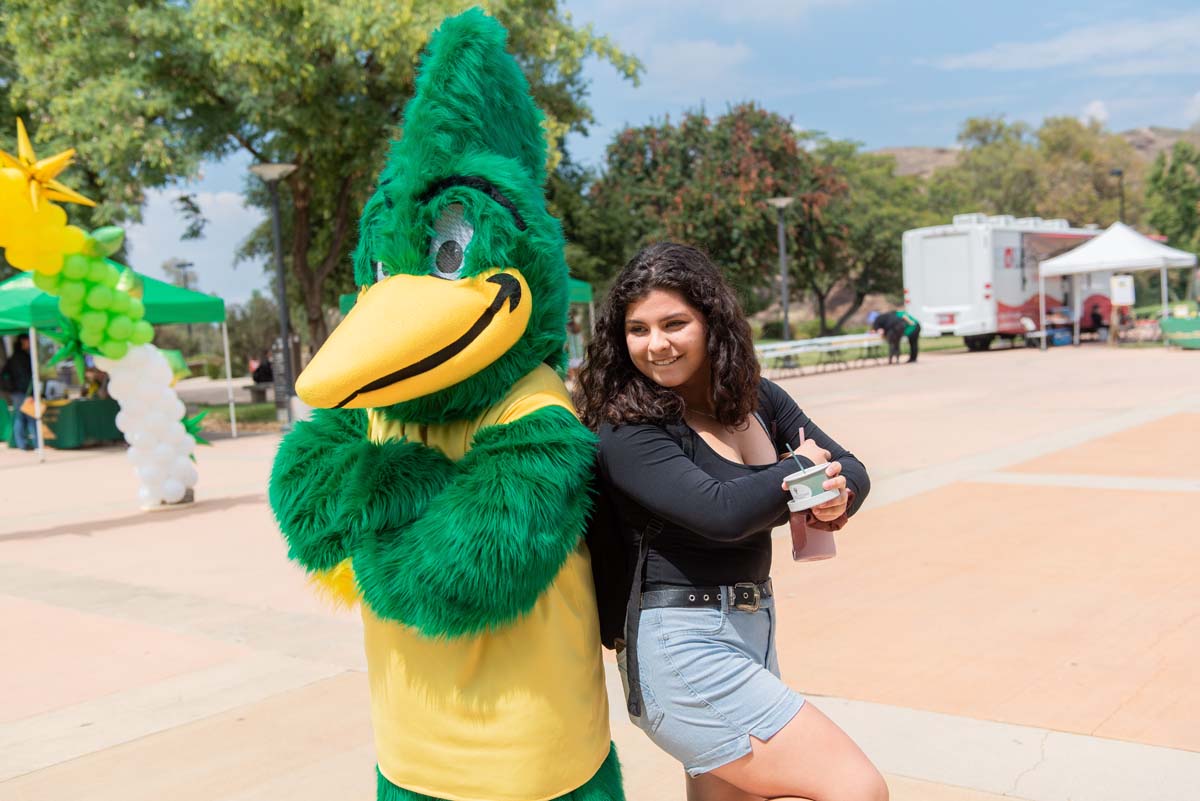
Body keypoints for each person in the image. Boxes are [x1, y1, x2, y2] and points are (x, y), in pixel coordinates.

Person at [575, 243, 885, 801]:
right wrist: (802, 470)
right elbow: (720, 511)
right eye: (638, 329)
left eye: (674, 324)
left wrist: (831, 496)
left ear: (711, 322)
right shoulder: (627, 426)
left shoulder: (757, 397)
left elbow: (853, 470)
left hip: (751, 627)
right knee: (855, 788)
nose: (657, 345)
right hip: (681, 646)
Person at [2, 334, 36, 451]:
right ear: (23, 341)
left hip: (16, 391)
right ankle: (35, 443)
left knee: (19, 416)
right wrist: (29, 394)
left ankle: (22, 443)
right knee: (29, 416)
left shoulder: (15, 357)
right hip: (22, 391)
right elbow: (23, 377)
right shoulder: (21, 358)